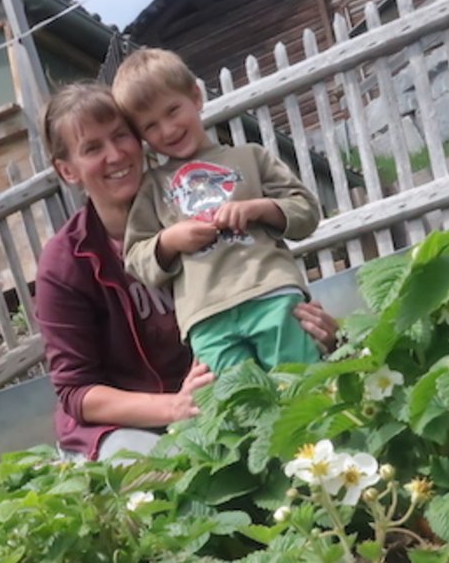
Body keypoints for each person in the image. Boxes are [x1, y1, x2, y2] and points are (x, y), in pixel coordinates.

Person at [34, 82, 336, 461]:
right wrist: (173, 407)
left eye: (120, 136)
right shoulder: (65, 263)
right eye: (92, 148)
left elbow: (260, 287)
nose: (114, 155)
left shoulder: (203, 199)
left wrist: (314, 328)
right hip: (131, 424)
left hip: (211, 392)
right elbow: (76, 392)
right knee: (156, 470)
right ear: (67, 170)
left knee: (302, 419)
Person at [112, 48, 323, 375]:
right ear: (141, 137)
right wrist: (170, 240)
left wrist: (258, 208)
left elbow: (306, 211)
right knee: (240, 407)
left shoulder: (250, 157)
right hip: (206, 317)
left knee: (303, 387)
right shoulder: (152, 188)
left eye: (172, 110)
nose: (167, 130)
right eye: (151, 126)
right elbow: (136, 259)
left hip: (271, 293)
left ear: (195, 97)